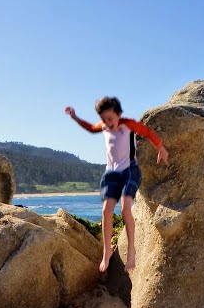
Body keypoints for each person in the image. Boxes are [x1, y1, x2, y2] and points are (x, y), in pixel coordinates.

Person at [65, 97, 169, 273]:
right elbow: (91, 128)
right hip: (111, 173)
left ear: (118, 114)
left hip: (130, 170)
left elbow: (148, 133)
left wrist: (161, 149)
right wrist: (75, 117)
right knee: (106, 210)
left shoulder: (128, 124)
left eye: (110, 119)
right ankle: (107, 250)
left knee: (125, 209)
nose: (107, 123)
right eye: (104, 119)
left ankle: (131, 252)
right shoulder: (104, 126)